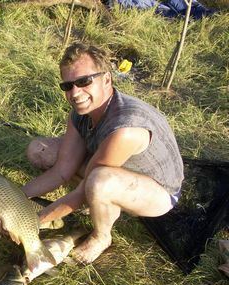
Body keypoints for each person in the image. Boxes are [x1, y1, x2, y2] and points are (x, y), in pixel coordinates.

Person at [22, 42, 184, 264]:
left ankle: (101, 236)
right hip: (111, 164)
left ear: (106, 79)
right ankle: (102, 202)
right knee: (39, 150)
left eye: (83, 81)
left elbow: (81, 191)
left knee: (98, 182)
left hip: (159, 192)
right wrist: (17, 197)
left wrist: (32, 221)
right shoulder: (80, 113)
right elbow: (61, 170)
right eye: (68, 86)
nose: (75, 93)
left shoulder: (126, 128)